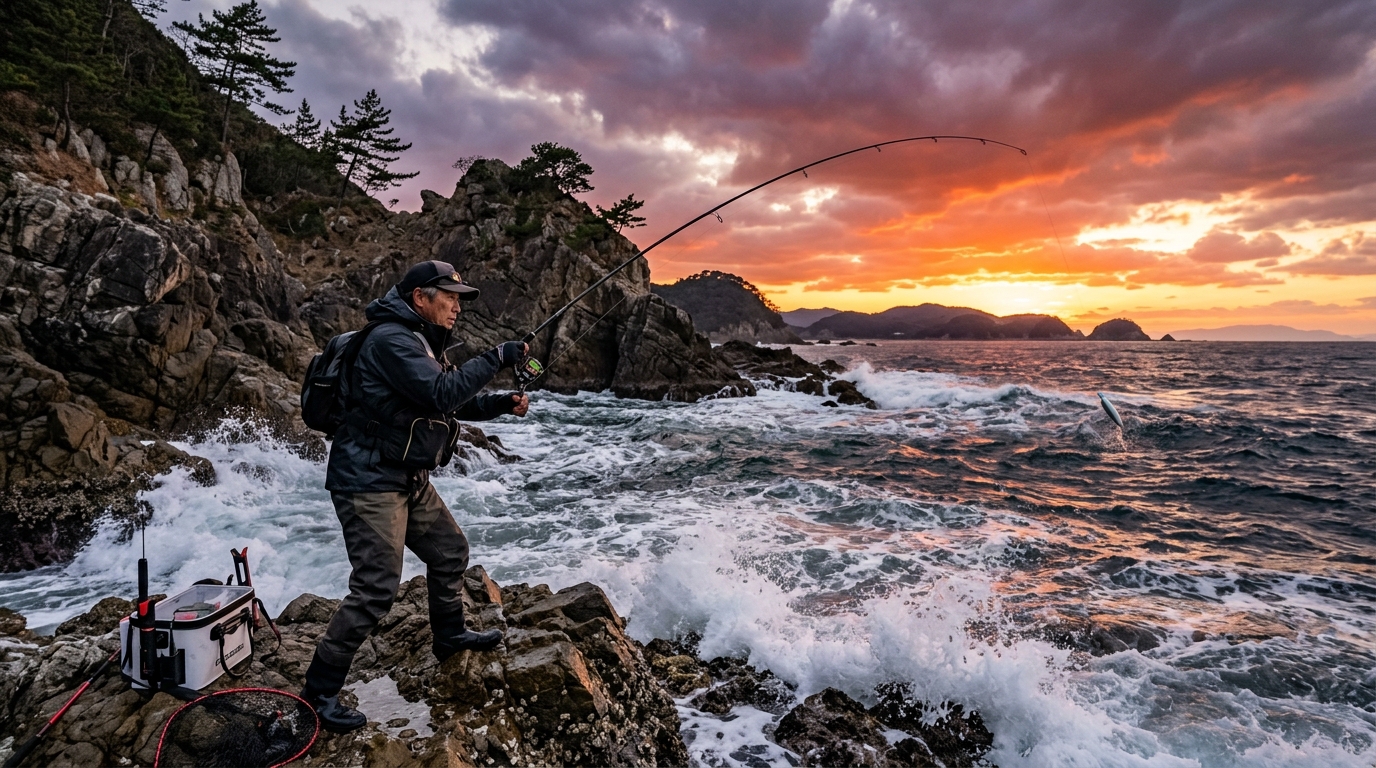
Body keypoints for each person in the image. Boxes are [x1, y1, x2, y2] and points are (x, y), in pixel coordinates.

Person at [300, 260, 531, 732]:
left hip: (405, 476)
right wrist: (497, 357)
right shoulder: (391, 339)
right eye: (449, 296)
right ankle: (318, 693)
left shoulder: (419, 341)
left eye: (460, 298)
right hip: (368, 481)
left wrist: (500, 403)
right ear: (420, 297)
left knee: (449, 551)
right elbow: (441, 392)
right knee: (375, 590)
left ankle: (448, 636)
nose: (457, 306)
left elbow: (452, 401)